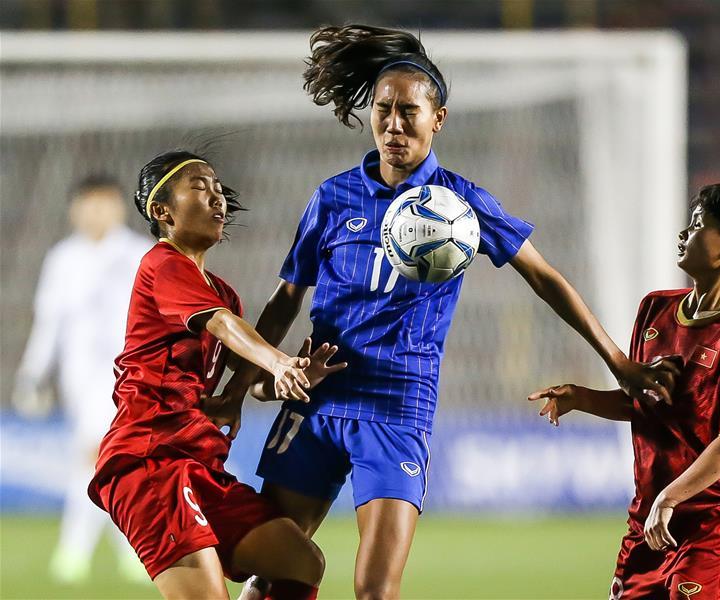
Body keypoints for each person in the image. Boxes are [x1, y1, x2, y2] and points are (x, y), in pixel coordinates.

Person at [210, 25, 678, 600]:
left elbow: (545, 277)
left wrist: (619, 363)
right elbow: (287, 300)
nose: (394, 124)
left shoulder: (462, 203)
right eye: (383, 110)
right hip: (317, 399)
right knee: (277, 571)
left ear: (439, 119)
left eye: (410, 111)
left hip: (398, 407)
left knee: (376, 592)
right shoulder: (332, 197)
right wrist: (241, 385)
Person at [87, 150, 345, 599]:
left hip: (198, 463)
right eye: (199, 187)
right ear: (162, 211)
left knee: (299, 561)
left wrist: (292, 378)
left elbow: (249, 387)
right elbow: (223, 325)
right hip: (149, 463)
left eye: (218, 188)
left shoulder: (222, 292)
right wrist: (277, 360)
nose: (217, 197)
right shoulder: (161, 265)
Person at [528, 181, 720, 600]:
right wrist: (582, 397)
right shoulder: (655, 308)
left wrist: (670, 497)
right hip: (649, 520)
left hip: (713, 522)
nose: (684, 233)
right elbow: (645, 405)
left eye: (700, 225)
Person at [12, 175, 152, 584]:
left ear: (118, 207)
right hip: (81, 378)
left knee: (98, 458)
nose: (95, 213)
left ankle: (73, 553)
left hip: (130, 376)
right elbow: (50, 323)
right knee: (111, 463)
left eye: (103, 204)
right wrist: (32, 372)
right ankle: (132, 551)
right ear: (75, 209)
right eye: (88, 205)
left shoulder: (139, 255)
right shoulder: (62, 259)